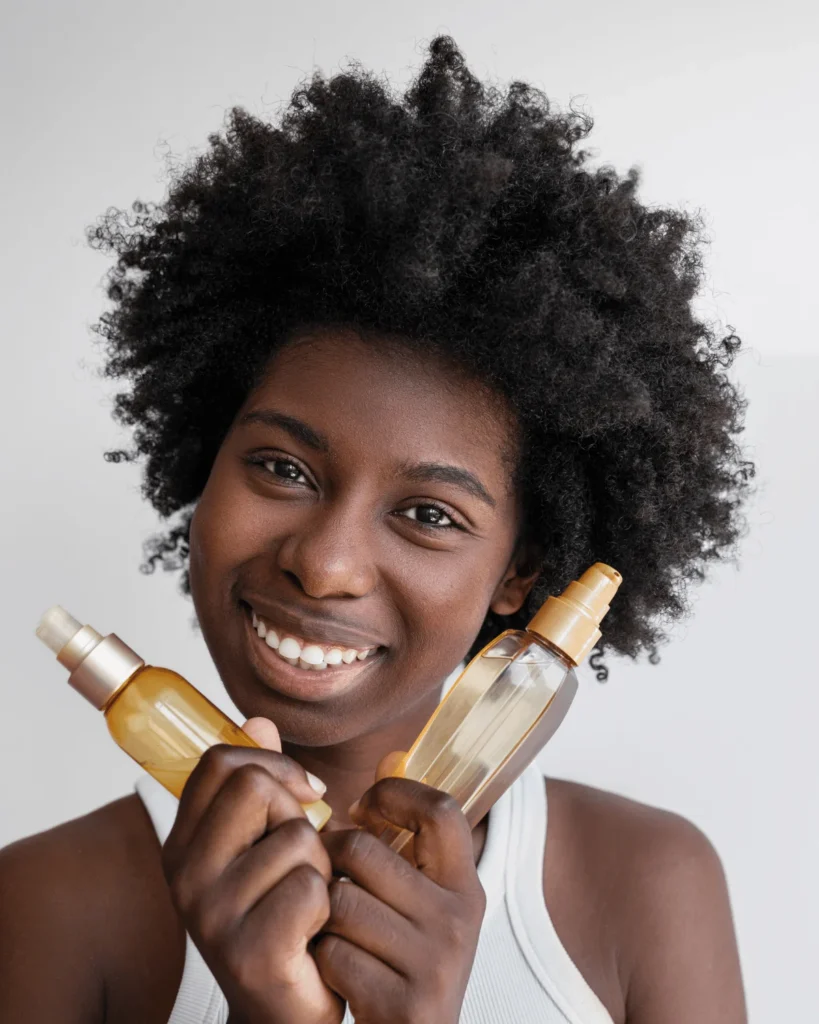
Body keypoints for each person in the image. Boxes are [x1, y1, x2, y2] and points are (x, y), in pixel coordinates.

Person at [0, 35, 752, 1024]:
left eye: (430, 514)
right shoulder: (49, 904)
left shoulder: (644, 887)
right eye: (280, 467)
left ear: (521, 570)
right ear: (204, 457)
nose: (324, 561)